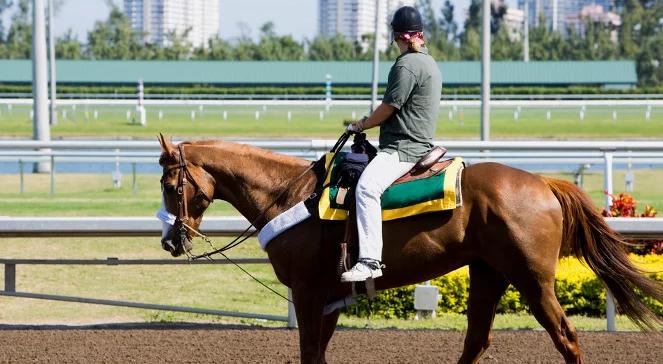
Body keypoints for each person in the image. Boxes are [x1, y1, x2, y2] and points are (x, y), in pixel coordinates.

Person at [340, 6, 442, 282]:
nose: (396, 44)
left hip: (403, 149)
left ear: (401, 37)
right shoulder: (430, 62)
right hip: (417, 143)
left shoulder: (406, 64)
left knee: (366, 189)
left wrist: (360, 125)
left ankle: (370, 261)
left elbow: (388, 108)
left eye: (397, 39)